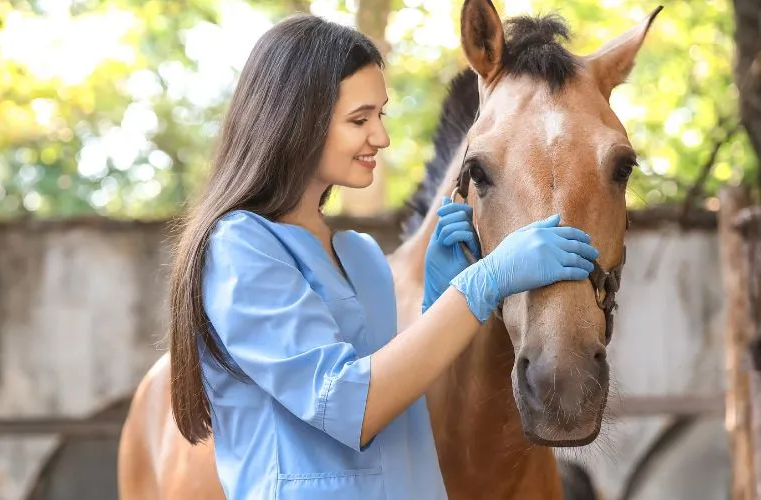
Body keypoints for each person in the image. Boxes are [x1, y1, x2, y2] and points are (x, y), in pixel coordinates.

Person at [165, 14, 600, 500]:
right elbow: (351, 406)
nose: (381, 138)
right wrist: (484, 282)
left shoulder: (362, 255)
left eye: (381, 116)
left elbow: (397, 395)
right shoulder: (241, 248)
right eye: (359, 119)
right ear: (296, 119)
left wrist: (437, 301)